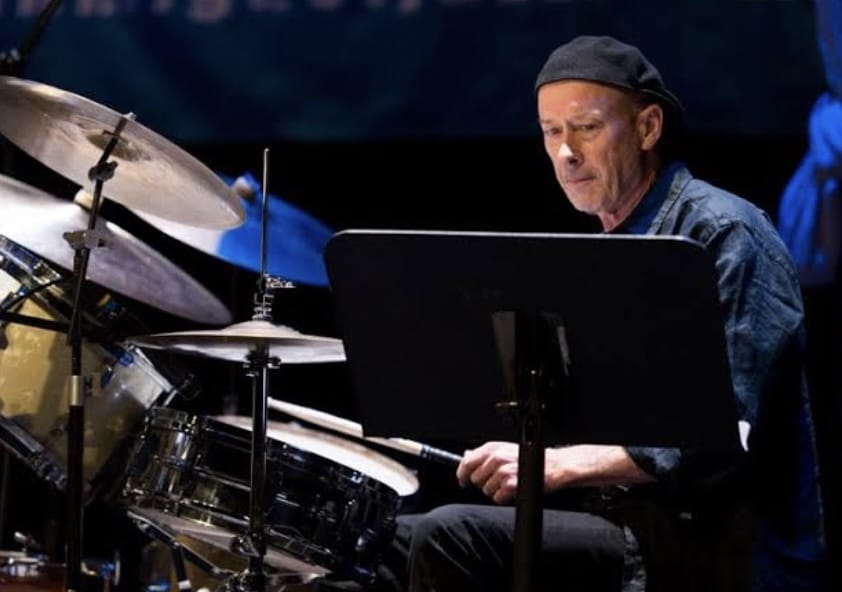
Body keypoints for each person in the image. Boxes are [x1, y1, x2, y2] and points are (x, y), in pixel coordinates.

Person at [315, 35, 828, 592]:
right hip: (623, 524)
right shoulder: (602, 255)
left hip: (710, 544)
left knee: (452, 536)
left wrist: (557, 466)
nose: (565, 153)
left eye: (585, 128)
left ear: (647, 128)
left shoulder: (724, 233)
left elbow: (726, 432)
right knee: (376, 544)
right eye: (551, 131)